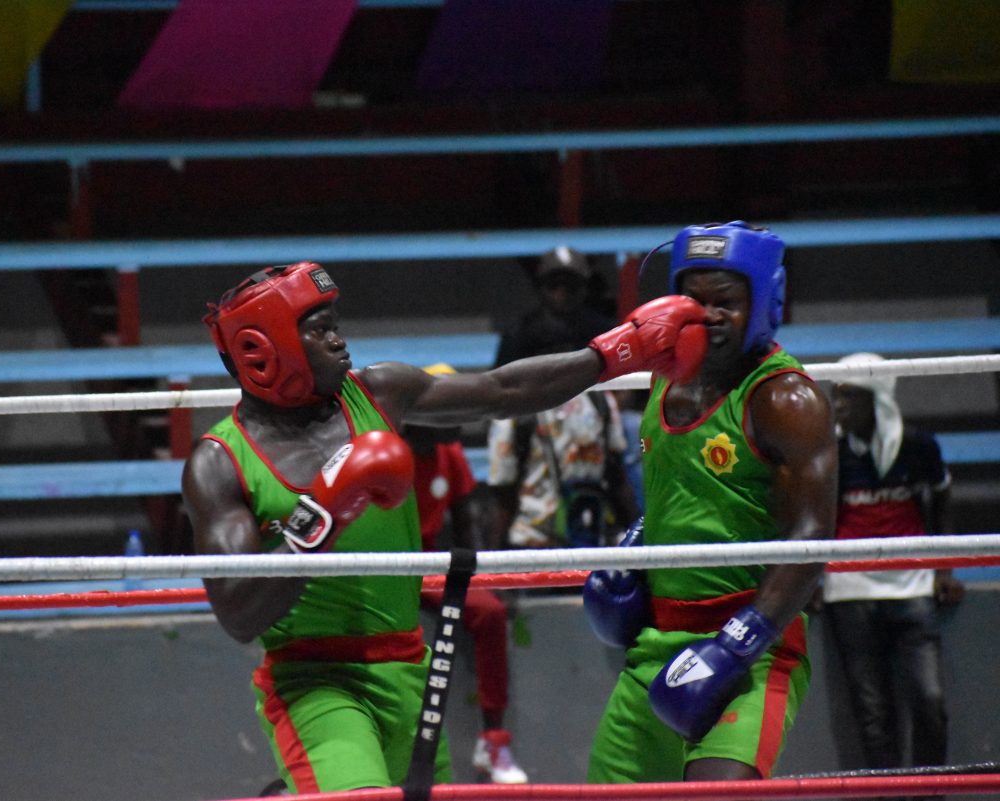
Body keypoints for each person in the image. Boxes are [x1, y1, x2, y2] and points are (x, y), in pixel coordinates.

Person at [182, 260, 709, 793]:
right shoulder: (221, 462)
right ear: (264, 349)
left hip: (412, 668)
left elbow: (502, 391)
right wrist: (319, 515)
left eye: (335, 324)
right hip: (314, 683)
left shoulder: (379, 393)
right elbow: (238, 612)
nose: (340, 341)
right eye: (319, 330)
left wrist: (611, 355)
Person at [582, 221, 838, 785]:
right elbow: (687, 486)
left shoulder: (785, 399)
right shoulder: (663, 377)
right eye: (694, 301)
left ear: (765, 301)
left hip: (751, 645)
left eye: (726, 302)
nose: (708, 316)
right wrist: (638, 540)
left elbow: (812, 538)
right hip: (655, 644)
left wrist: (737, 645)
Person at [821, 352, 963, 779]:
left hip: (912, 588)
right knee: (873, 716)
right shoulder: (831, 453)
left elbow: (941, 501)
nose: (839, 405)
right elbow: (817, 520)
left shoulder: (919, 447)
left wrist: (944, 570)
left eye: (849, 395)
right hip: (849, 593)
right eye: (836, 395)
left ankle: (928, 792)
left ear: (877, 397)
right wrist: (811, 583)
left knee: (930, 703)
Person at [402, 367, 528, 784]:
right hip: (388, 569)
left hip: (431, 569)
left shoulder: (450, 455)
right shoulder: (386, 454)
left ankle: (493, 738)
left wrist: (485, 578)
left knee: (489, 613)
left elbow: (467, 529)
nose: (455, 420)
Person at [489, 246, 641, 549]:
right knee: (508, 476)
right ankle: (495, 564)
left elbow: (628, 381)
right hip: (530, 415)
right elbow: (499, 385)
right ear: (541, 287)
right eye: (554, 284)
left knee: (631, 439)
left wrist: (604, 406)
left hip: (592, 413)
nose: (562, 292)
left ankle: (634, 545)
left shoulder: (602, 329)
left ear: (583, 287)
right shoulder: (520, 331)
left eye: (570, 285)